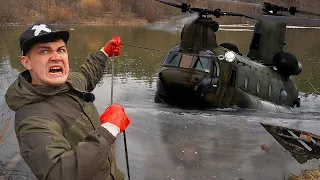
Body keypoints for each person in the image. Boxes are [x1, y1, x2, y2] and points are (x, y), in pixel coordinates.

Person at [5, 23, 130, 180]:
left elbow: (86, 74)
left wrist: (104, 53)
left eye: (61, 50)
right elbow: (58, 173)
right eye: (44, 51)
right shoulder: (32, 119)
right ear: (26, 62)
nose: (56, 56)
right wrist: (109, 129)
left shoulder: (68, 82)